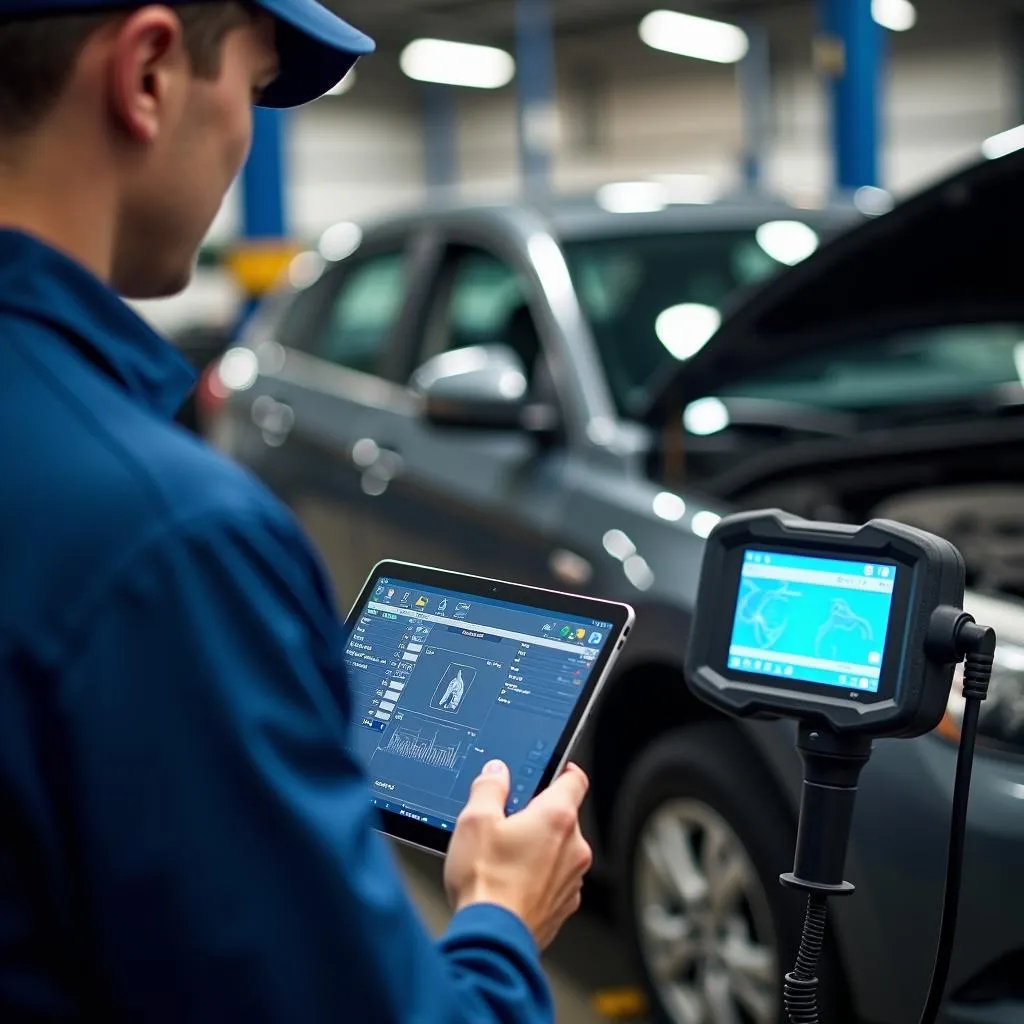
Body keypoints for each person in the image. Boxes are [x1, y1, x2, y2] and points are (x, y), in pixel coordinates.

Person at [0, 3, 593, 1021]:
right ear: (146, 75)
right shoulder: (165, 540)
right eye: (251, 84)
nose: (244, 135)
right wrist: (498, 921)